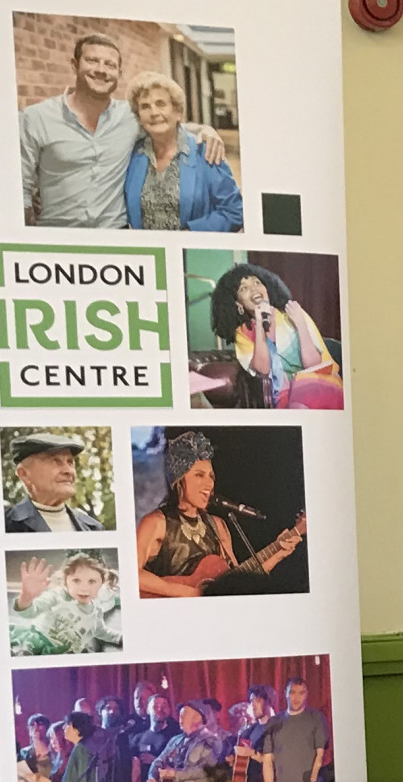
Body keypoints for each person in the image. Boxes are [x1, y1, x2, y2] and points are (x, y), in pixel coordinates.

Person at [20, 30, 226, 229]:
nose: (101, 70)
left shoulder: (130, 116)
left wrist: (205, 129)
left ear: (118, 73)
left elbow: (165, 124)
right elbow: (20, 187)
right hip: (58, 235)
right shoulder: (36, 118)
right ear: (75, 65)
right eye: (92, 60)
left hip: (117, 235)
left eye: (109, 64)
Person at [136, 430, 307, 598]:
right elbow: (132, 574)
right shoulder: (156, 523)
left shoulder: (217, 525)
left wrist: (278, 554)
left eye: (211, 476)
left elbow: (235, 583)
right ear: (179, 480)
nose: (209, 483)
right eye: (199, 475)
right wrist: (187, 592)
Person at [211, 262, 344, 409]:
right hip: (283, 399)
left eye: (257, 282)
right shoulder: (243, 333)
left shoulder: (292, 313)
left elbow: (313, 365)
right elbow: (263, 369)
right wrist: (260, 326)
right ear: (238, 304)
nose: (254, 288)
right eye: (244, 288)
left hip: (321, 383)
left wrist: (300, 324)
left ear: (267, 288)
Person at [124, 73, 243, 232]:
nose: (153, 112)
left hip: (196, 247)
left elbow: (234, 211)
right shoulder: (133, 154)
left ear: (177, 112)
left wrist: (189, 236)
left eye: (161, 104)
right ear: (139, 117)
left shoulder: (205, 151)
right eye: (145, 106)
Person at [10, 551, 120, 656]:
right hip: (36, 641)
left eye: (92, 581)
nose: (84, 588)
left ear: (101, 584)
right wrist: (25, 598)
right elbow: (31, 611)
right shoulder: (58, 595)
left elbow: (101, 631)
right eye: (76, 580)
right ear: (66, 581)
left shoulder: (96, 611)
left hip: (62, 652)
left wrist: (120, 638)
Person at [2, 433, 103, 533]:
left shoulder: (93, 528)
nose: (68, 471)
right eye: (56, 461)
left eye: (70, 462)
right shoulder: (4, 525)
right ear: (24, 474)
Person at [260, 677, 329, 782]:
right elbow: (267, 760)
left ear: (306, 694)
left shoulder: (316, 718)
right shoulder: (274, 722)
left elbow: (320, 756)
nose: (297, 698)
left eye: (301, 693)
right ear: (285, 693)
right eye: (292, 692)